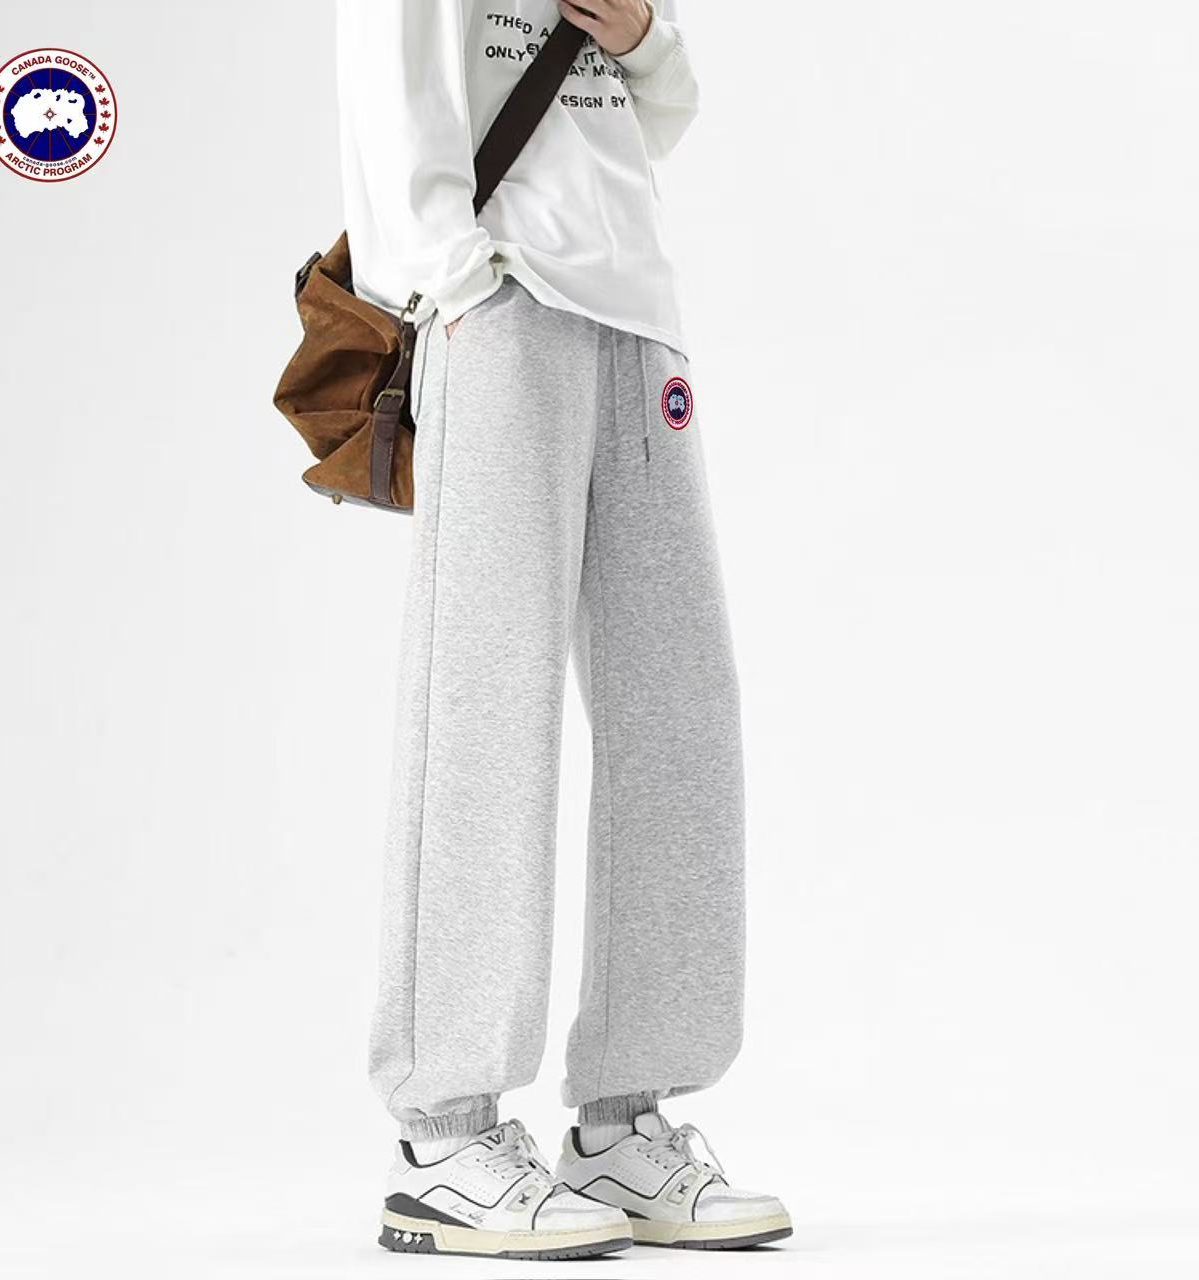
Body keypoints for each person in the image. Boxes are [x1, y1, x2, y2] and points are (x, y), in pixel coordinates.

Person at [337, 0, 792, 1259]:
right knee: (484, 703)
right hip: (498, 304)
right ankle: (444, 1133)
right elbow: (389, 86)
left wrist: (641, 37)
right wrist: (455, 283)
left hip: (636, 316)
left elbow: (653, 119)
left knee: (677, 710)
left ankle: (621, 1119)